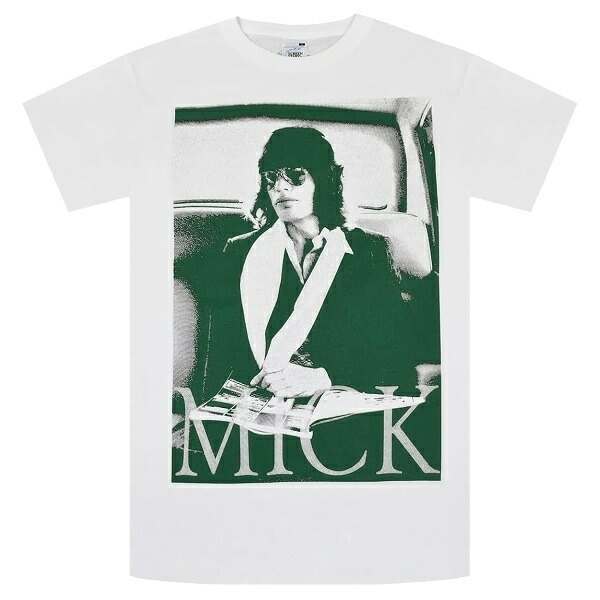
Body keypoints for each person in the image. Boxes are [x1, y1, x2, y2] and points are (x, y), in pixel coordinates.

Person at [205, 126, 439, 400]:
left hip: (344, 399)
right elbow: (221, 357)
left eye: (295, 175)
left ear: (323, 179)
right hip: (263, 400)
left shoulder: (371, 250)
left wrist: (326, 377)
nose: (280, 186)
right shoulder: (239, 252)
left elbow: (395, 356)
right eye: (271, 177)